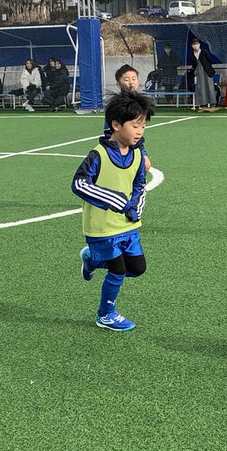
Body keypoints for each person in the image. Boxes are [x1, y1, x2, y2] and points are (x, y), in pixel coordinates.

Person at [72, 89, 154, 332]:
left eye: (143, 126)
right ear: (116, 125)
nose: (140, 131)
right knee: (118, 269)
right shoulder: (98, 155)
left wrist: (136, 206)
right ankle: (105, 314)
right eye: (135, 125)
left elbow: (139, 184)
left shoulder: (138, 154)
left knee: (137, 268)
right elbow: (78, 184)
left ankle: (93, 261)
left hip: (128, 226)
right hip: (102, 227)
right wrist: (117, 201)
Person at [109, 65, 152, 174]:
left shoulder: (141, 103)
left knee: (145, 165)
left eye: (134, 79)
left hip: (136, 144)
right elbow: (108, 131)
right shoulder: (116, 105)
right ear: (118, 84)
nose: (131, 83)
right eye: (126, 80)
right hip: (118, 145)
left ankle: (139, 186)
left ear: (138, 82)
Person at [186, 38, 217, 111]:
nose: (195, 45)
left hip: (207, 72)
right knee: (200, 88)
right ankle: (203, 104)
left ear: (199, 44)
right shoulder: (191, 54)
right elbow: (193, 64)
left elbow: (209, 60)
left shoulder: (204, 51)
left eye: (197, 44)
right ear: (192, 45)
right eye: (194, 44)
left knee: (210, 87)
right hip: (198, 73)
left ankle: (212, 104)